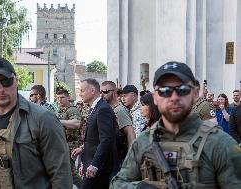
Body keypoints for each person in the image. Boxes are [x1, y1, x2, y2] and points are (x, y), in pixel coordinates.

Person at [110, 61, 241, 189]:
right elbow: (118, 183)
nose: (173, 97)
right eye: (164, 90)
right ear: (155, 97)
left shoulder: (221, 144)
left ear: (195, 93)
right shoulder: (143, 142)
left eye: (182, 89)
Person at [0, 57, 72, 189]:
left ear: (16, 81)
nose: (0, 89)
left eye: (6, 81)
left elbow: (61, 175)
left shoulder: (43, 119)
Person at [71, 78, 117, 189]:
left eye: (82, 90)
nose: (80, 94)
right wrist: (83, 149)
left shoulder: (102, 109)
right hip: (91, 163)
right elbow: (94, 137)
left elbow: (106, 139)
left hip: (99, 167)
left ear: (92, 90)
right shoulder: (95, 108)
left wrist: (94, 164)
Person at [101, 81, 136, 165]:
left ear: (113, 93)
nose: (102, 95)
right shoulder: (110, 109)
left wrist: (131, 157)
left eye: (105, 92)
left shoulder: (119, 110)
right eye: (101, 92)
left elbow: (130, 133)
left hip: (119, 158)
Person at [56, 89, 82, 189]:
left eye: (62, 97)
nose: (59, 100)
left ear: (68, 98)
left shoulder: (72, 109)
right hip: (62, 145)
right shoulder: (60, 110)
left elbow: (76, 123)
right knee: (65, 173)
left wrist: (58, 121)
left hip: (70, 145)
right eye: (57, 98)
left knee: (71, 173)